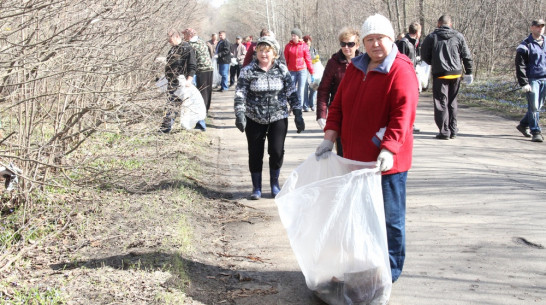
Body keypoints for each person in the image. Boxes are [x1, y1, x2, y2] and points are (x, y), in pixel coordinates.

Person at [314, 14, 418, 283]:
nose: (375, 45)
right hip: (353, 161)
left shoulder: (401, 69)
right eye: (369, 39)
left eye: (380, 38)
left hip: (386, 165)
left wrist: (389, 148)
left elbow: (402, 115)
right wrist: (329, 137)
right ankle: (364, 268)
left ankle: (390, 274)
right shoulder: (355, 68)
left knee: (389, 220)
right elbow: (337, 106)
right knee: (358, 218)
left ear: (391, 38)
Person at [234, 36, 305, 200]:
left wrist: (298, 113)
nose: (264, 54)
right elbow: (240, 94)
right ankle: (256, 187)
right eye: (260, 50)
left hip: (278, 116)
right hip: (254, 117)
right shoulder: (248, 71)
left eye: (267, 51)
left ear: (274, 53)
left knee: (276, 150)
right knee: (255, 152)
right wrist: (239, 113)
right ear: (256, 52)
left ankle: (274, 184)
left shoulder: (281, 70)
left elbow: (291, 93)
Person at [421, 15, 473, 140]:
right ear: (450, 24)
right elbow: (466, 55)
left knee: (441, 102)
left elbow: (424, 54)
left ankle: (444, 131)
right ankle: (453, 129)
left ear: (438, 24)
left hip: (440, 73)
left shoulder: (432, 37)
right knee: (452, 101)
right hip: (456, 73)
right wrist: (469, 71)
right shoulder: (458, 36)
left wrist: (433, 62)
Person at [316, 26, 361, 157]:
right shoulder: (333, 63)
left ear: (357, 45)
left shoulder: (365, 62)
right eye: (343, 44)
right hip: (340, 115)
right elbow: (323, 90)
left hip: (360, 113)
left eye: (350, 44)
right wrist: (321, 114)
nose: (346, 47)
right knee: (343, 153)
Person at [515, 18, 546, 143]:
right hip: (532, 79)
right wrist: (524, 82)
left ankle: (523, 125)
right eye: (538, 26)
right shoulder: (525, 45)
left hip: (545, 78)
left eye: (542, 26)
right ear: (532, 28)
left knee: (538, 106)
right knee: (533, 107)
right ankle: (536, 131)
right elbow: (520, 65)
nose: (540, 28)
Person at [160, 29, 197, 133]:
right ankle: (166, 127)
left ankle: (167, 128)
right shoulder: (172, 49)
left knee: (180, 105)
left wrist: (189, 80)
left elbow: (192, 66)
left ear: (177, 37)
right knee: (171, 104)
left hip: (181, 82)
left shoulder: (187, 48)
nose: (168, 41)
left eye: (170, 38)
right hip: (171, 81)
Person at [183, 28, 213, 130]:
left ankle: (201, 122)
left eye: (185, 35)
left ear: (190, 35)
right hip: (209, 69)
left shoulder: (191, 45)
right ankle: (205, 115)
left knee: (201, 95)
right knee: (207, 94)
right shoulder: (202, 41)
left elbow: (191, 61)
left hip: (201, 71)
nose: (184, 37)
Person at [395, 21, 422, 134]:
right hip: (406, 74)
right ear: (416, 32)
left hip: (414, 72)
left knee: (414, 98)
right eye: (420, 32)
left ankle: (411, 122)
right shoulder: (404, 42)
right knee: (406, 99)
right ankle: (406, 123)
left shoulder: (415, 43)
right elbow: (400, 58)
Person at [284, 28, 314, 108]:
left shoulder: (304, 46)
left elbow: (308, 59)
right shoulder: (288, 46)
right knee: (291, 90)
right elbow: (285, 59)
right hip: (291, 71)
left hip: (302, 71)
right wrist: (284, 70)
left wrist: (311, 72)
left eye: (295, 35)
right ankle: (292, 106)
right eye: (292, 35)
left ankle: (299, 108)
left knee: (300, 90)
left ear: (299, 36)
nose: (293, 37)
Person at [303, 35, 319, 112]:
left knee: (315, 86)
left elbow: (317, 59)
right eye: (306, 41)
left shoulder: (314, 50)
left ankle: (312, 104)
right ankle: (305, 105)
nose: (308, 43)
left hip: (313, 69)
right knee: (305, 87)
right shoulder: (302, 49)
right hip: (304, 69)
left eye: (309, 41)